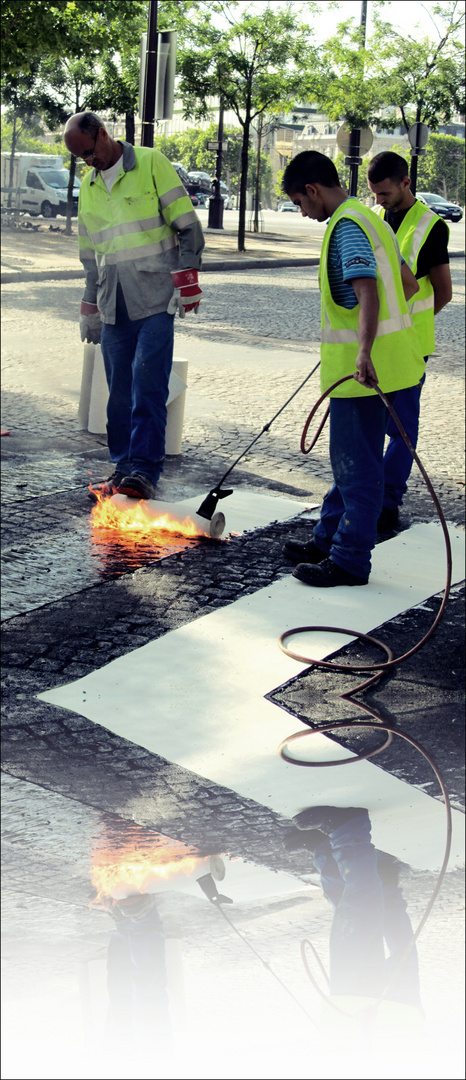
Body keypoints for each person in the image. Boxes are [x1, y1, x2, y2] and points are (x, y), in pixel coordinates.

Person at [281, 151, 424, 588]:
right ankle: (327, 538)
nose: (304, 214)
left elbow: (366, 290)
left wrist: (362, 350)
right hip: (396, 366)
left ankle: (348, 560)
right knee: (353, 467)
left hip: (366, 374)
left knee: (356, 470)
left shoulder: (346, 226)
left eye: (301, 204)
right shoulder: (371, 217)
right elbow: (408, 283)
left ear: (313, 190)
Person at [64, 112, 204, 502]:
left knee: (147, 383)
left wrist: (188, 275)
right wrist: (89, 304)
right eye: (81, 159)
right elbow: (90, 254)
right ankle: (123, 466)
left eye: (89, 153)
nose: (88, 163)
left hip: (156, 296)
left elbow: (188, 226)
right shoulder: (90, 186)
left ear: (104, 135)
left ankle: (144, 470)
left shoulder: (150, 163)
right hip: (114, 302)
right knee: (119, 393)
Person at [367, 152, 452, 531]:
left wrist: (405, 327)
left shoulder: (431, 226)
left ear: (405, 183)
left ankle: (389, 501)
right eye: (375, 194)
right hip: (376, 341)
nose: (379, 200)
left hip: (411, 345)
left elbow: (444, 293)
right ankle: (369, 494)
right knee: (371, 421)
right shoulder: (377, 218)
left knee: (401, 427)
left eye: (385, 193)